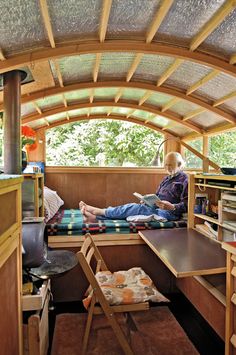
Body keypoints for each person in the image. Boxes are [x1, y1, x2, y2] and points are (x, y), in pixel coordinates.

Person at [80, 152, 188, 222]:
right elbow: (158, 196)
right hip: (157, 207)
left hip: (168, 213)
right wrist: (147, 200)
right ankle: (95, 217)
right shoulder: (166, 179)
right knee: (135, 207)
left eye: (171, 165)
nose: (168, 168)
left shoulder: (185, 180)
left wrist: (172, 207)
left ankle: (98, 212)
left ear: (179, 165)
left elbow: (188, 205)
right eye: (166, 165)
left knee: (135, 208)